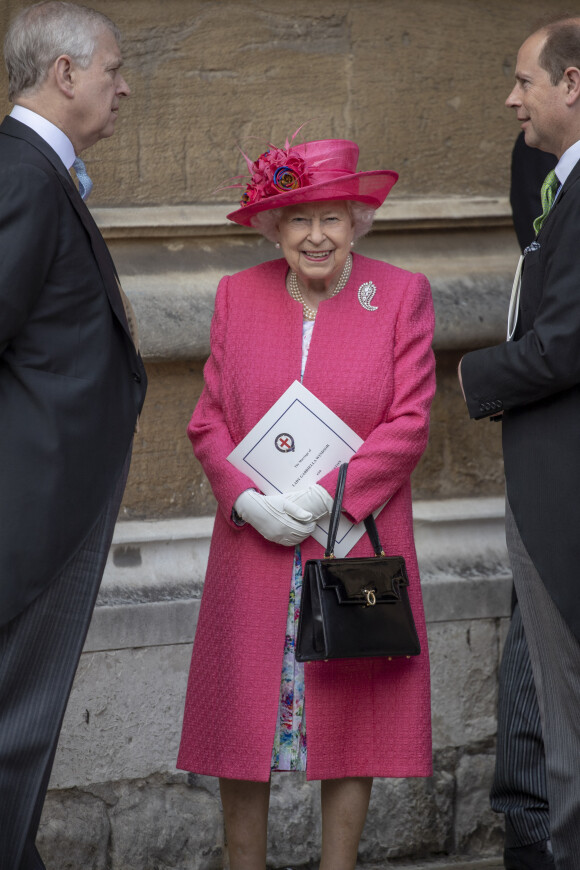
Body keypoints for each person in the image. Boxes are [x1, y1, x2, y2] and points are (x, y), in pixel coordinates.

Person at [177, 135, 436, 870]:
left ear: (357, 221)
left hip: (353, 540)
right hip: (255, 549)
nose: (315, 235)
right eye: (297, 220)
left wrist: (329, 500)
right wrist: (246, 500)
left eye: (331, 217)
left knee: (350, 717)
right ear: (274, 230)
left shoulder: (400, 294)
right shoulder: (239, 294)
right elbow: (208, 420)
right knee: (241, 721)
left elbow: (410, 422)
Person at [0, 3, 147, 867]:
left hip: (47, 508)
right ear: (64, 72)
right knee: (13, 731)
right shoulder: (22, 175)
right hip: (32, 517)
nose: (123, 87)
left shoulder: (34, 171)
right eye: (112, 70)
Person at [459, 16, 580, 870]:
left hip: (560, 488)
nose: (511, 97)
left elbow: (564, 339)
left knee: (564, 713)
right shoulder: (546, 173)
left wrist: (475, 378)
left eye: (525, 82)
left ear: (572, 85)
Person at [489, 132, 557, 870]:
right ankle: (530, 830)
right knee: (534, 640)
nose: (515, 98)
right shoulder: (540, 152)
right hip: (557, 445)